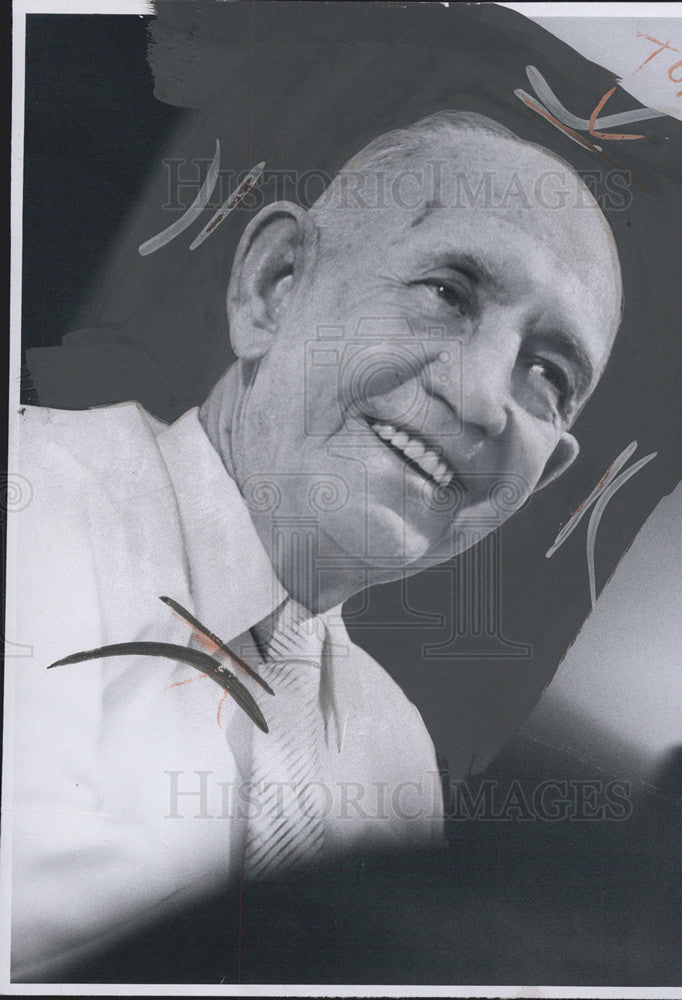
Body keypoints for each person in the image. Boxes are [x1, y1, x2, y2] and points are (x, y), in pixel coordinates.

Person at [9, 110, 622, 979]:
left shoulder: (393, 754)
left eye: (548, 375)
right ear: (276, 284)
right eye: (447, 293)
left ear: (539, 480)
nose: (487, 399)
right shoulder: (33, 493)